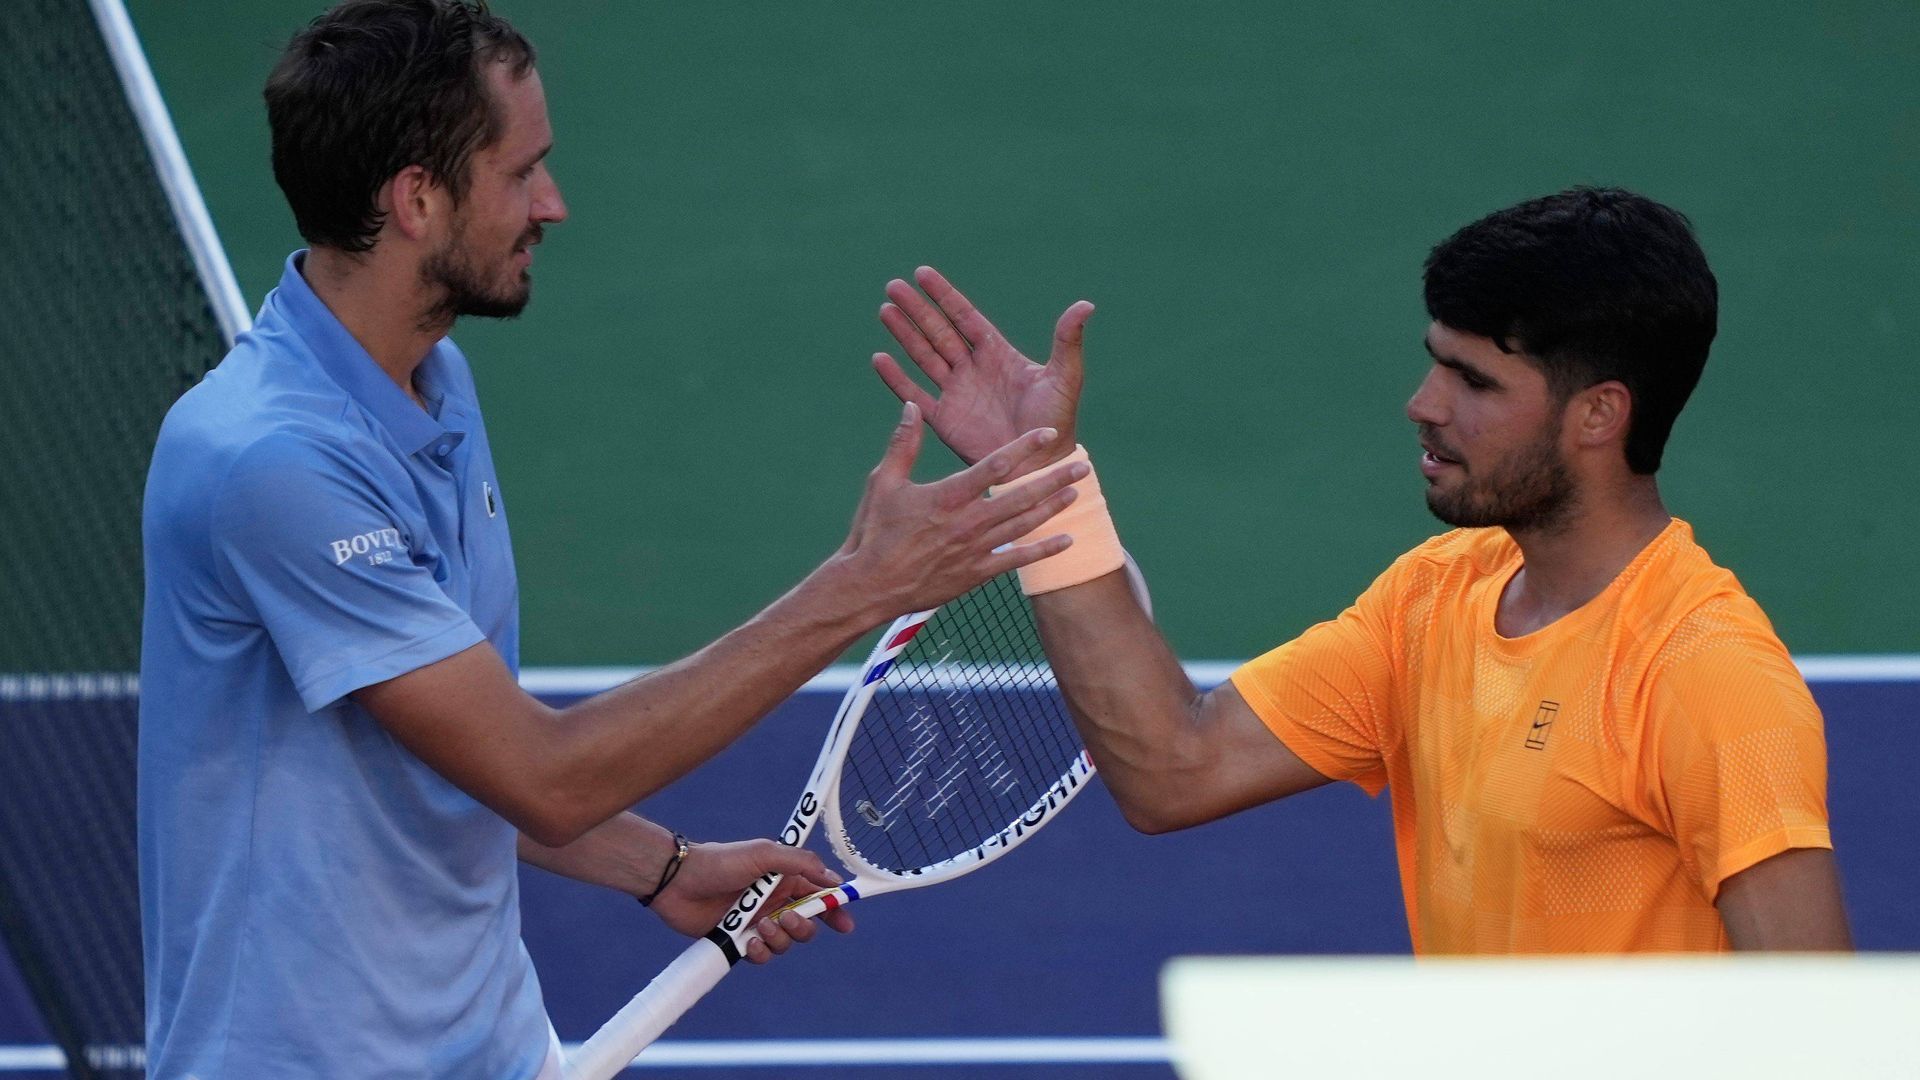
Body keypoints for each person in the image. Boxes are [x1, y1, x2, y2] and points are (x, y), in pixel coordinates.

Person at [137, 2, 1087, 1076]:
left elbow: (450, 755)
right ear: (415, 198)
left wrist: (660, 866)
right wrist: (863, 587)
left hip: (490, 1047)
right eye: (520, 173)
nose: (555, 203)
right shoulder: (270, 463)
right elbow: (540, 775)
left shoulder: (431, 382)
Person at [871, 187, 1852, 953]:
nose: (1422, 404)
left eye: (1473, 381)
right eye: (1437, 362)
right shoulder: (1436, 598)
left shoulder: (1704, 675)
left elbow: (1820, 1042)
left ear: (1599, 414)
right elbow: (1176, 768)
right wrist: (1050, 488)